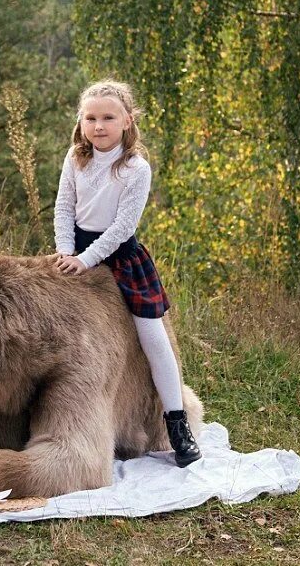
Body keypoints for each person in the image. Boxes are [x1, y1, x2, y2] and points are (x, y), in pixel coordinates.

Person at [53, 80, 201, 467]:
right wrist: (67, 251)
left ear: (127, 120)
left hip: (119, 256)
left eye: (107, 117)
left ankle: (176, 422)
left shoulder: (136, 168)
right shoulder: (75, 158)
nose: (98, 126)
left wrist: (87, 260)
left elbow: (121, 228)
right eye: (90, 118)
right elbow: (63, 208)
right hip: (74, 253)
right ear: (81, 121)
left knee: (152, 336)